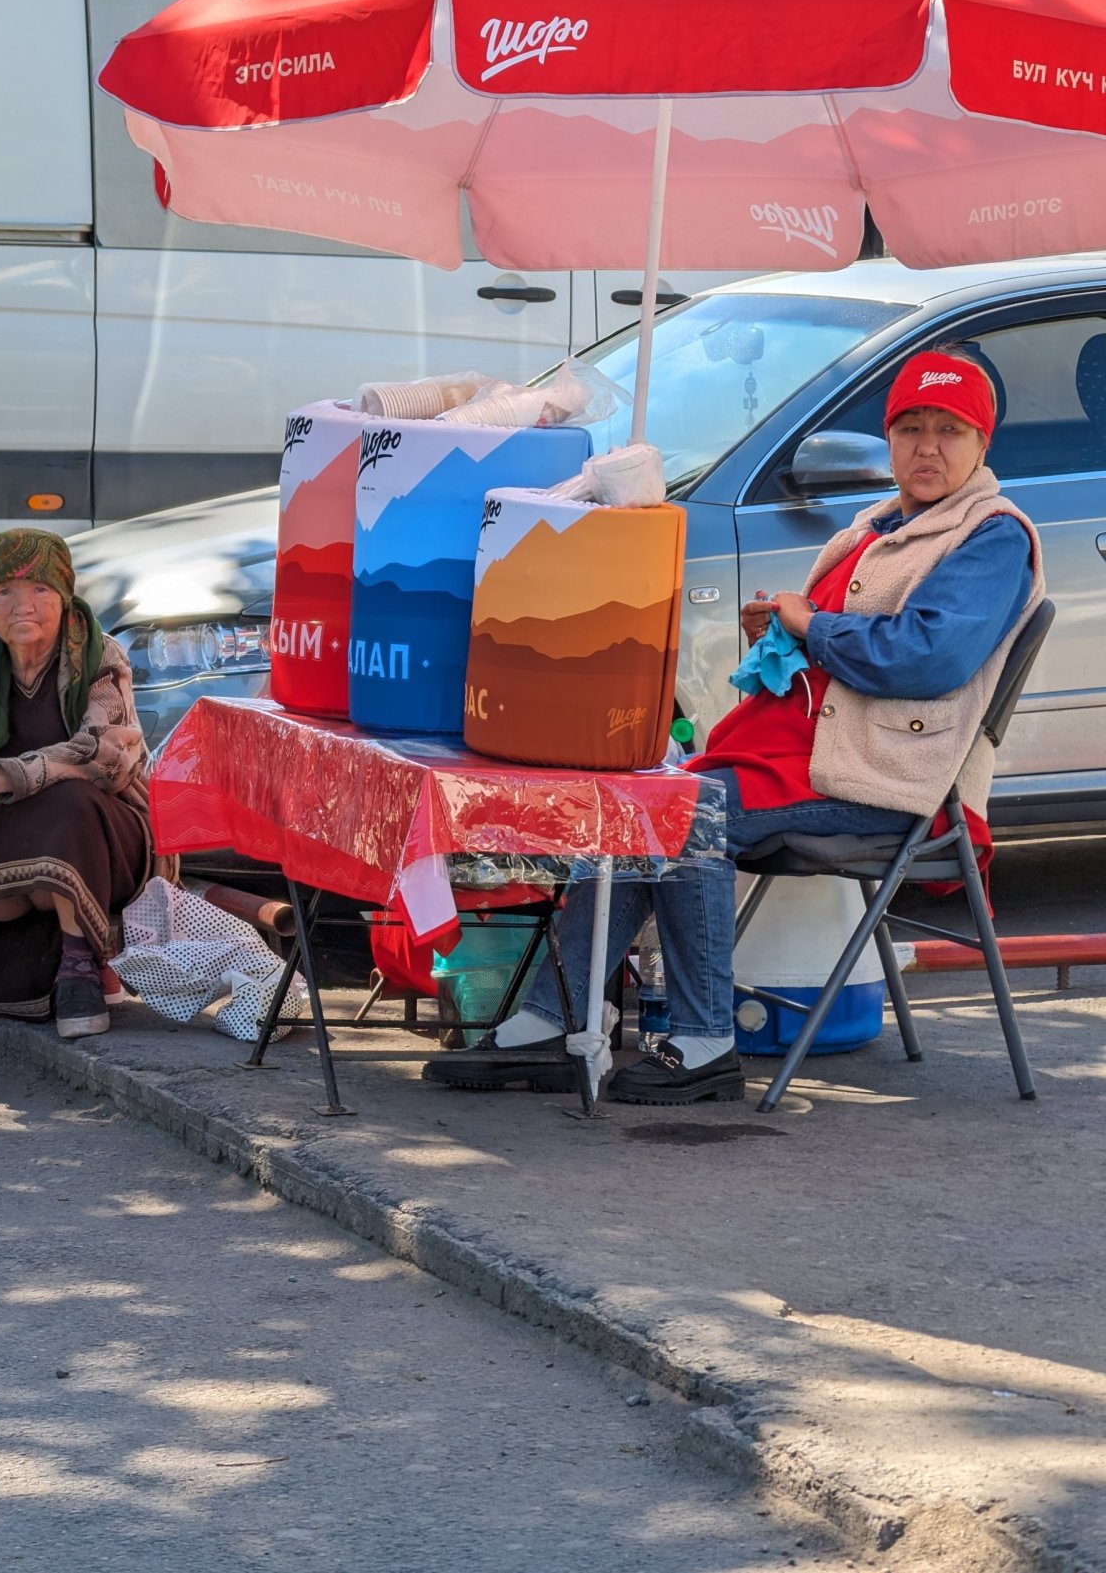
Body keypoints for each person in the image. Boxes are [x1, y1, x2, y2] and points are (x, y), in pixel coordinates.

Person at [423, 349, 1046, 1104]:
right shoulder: (878, 527)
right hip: (813, 754)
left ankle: (703, 1040)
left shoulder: (992, 535)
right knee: (641, 802)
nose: (927, 446)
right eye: (910, 427)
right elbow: (846, 644)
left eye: (949, 430)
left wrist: (811, 627)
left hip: (887, 780)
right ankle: (552, 1018)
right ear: (887, 440)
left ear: (983, 444)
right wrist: (783, 635)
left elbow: (925, 658)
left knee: (691, 814)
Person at [0, 529, 166, 1064]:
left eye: (39, 590)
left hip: (108, 841)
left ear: (63, 597)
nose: (22, 605)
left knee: (67, 803)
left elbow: (103, 758)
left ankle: (78, 970)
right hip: (9, 846)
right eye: (4, 591)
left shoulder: (100, 656)